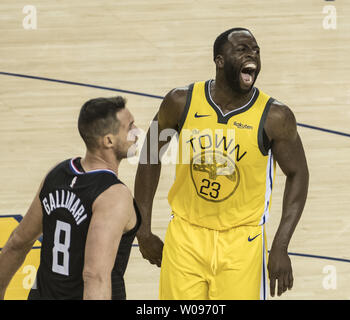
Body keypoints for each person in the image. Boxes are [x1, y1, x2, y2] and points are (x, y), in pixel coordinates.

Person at [135, 27, 309, 300]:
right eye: (242, 49)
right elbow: (149, 154)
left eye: (256, 51)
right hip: (185, 237)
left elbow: (299, 174)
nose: (252, 54)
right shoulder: (180, 102)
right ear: (219, 60)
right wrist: (142, 229)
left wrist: (280, 246)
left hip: (242, 243)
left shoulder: (275, 117)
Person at [0, 96, 141, 300]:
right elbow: (95, 276)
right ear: (108, 140)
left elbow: (18, 242)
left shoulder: (57, 174)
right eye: (130, 127)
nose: (136, 132)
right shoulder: (114, 196)